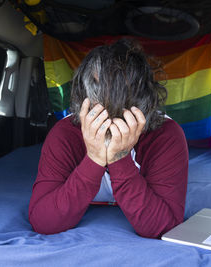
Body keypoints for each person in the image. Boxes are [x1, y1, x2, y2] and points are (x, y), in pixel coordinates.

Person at [28, 38, 188, 238]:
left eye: (123, 96)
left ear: (145, 102)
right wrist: (94, 159)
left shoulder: (166, 135)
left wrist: (120, 158)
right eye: (99, 93)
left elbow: (165, 227)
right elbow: (43, 221)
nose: (111, 110)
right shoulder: (65, 134)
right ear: (83, 99)